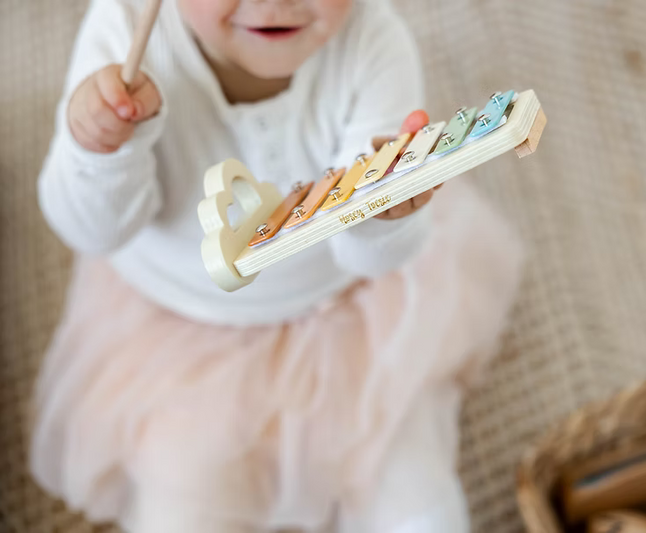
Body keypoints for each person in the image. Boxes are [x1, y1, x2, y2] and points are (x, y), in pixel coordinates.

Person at [31, 0, 522, 531]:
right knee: (184, 504)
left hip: (348, 314)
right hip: (177, 329)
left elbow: (371, 257)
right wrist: (99, 148)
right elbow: (91, 230)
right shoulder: (126, 31)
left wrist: (382, 212)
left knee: (421, 505)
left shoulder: (374, 42)